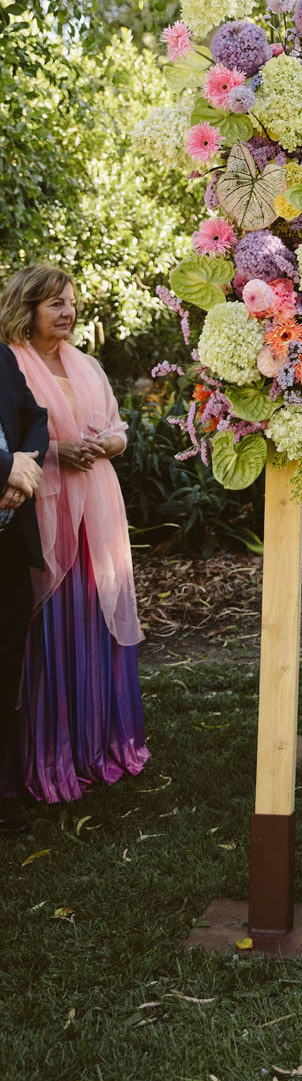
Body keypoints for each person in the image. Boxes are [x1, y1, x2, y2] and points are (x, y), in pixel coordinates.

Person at [0, 266, 148, 805]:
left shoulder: (86, 364)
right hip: (43, 503)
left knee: (93, 618)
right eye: (55, 304)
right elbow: (20, 434)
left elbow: (117, 430)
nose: (68, 313)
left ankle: (97, 744)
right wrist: (58, 452)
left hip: (97, 508)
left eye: (71, 303)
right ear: (27, 307)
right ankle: (50, 753)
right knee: (47, 628)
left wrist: (106, 445)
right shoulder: (10, 361)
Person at [0, 340, 49, 834]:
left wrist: (23, 469)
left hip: (8, 546)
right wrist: (2, 467)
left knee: (4, 670)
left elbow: (34, 416)